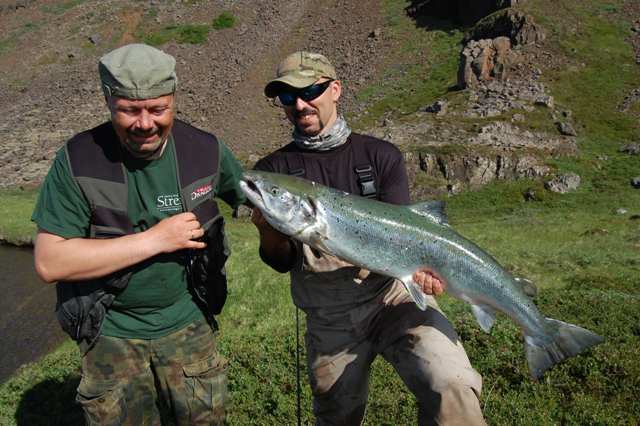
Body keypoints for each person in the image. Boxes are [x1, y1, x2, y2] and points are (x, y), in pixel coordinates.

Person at [251, 51, 486, 425]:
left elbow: (407, 240)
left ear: (335, 90)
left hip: (395, 296)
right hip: (329, 313)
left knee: (451, 382)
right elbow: (281, 261)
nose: (299, 104)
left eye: (310, 90)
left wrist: (422, 274)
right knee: (336, 417)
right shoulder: (273, 172)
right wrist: (267, 230)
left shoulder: (380, 155)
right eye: (286, 96)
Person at [32, 43, 245, 425]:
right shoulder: (78, 159)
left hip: (188, 324)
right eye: (129, 111)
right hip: (111, 332)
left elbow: (255, 198)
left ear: (174, 100)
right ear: (109, 100)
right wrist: (156, 240)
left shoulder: (205, 149)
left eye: (158, 109)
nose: (144, 123)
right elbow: (50, 262)